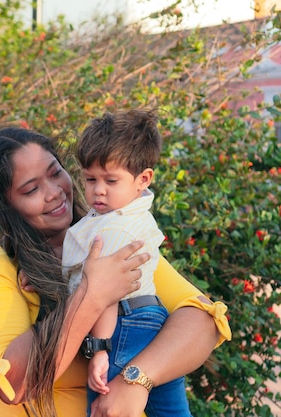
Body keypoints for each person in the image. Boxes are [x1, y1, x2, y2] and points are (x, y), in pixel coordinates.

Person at [0, 126, 231, 417]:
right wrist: (92, 294)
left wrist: (136, 380)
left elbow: (203, 318)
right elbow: (13, 385)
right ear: (7, 206)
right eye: (31, 189)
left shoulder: (110, 238)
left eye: (55, 173)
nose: (53, 193)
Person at [61, 109, 186, 416]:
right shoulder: (122, 215)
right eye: (90, 179)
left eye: (110, 180)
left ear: (143, 179)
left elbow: (106, 293)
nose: (98, 189)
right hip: (150, 322)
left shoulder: (114, 228)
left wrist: (100, 349)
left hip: (122, 324)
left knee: (105, 408)